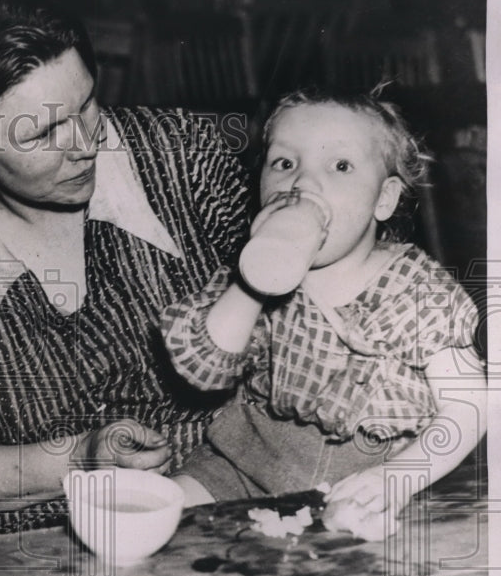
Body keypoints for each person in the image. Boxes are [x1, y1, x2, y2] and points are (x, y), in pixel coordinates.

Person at [0, 0, 250, 535]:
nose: (86, 144)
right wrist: (77, 458)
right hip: (53, 535)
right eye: (44, 133)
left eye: (86, 105)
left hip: (237, 497)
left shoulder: (184, 158)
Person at [162, 88, 485, 530]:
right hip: (239, 467)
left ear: (384, 199)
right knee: (162, 516)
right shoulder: (251, 280)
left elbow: (472, 408)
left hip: (363, 484)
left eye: (340, 166)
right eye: (284, 163)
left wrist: (398, 479)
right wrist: (253, 283)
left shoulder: (417, 291)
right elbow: (203, 368)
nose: (302, 183)